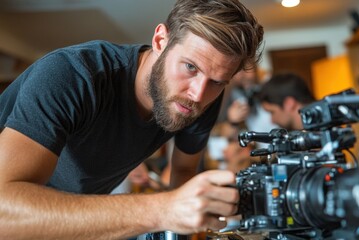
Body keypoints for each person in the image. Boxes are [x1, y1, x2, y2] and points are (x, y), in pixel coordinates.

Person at [0, 0, 264, 238]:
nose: (197, 95)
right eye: (190, 67)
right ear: (161, 40)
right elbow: (4, 211)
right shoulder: (73, 76)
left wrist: (196, 220)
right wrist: (163, 209)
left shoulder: (204, 95)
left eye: (217, 82)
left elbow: (184, 171)